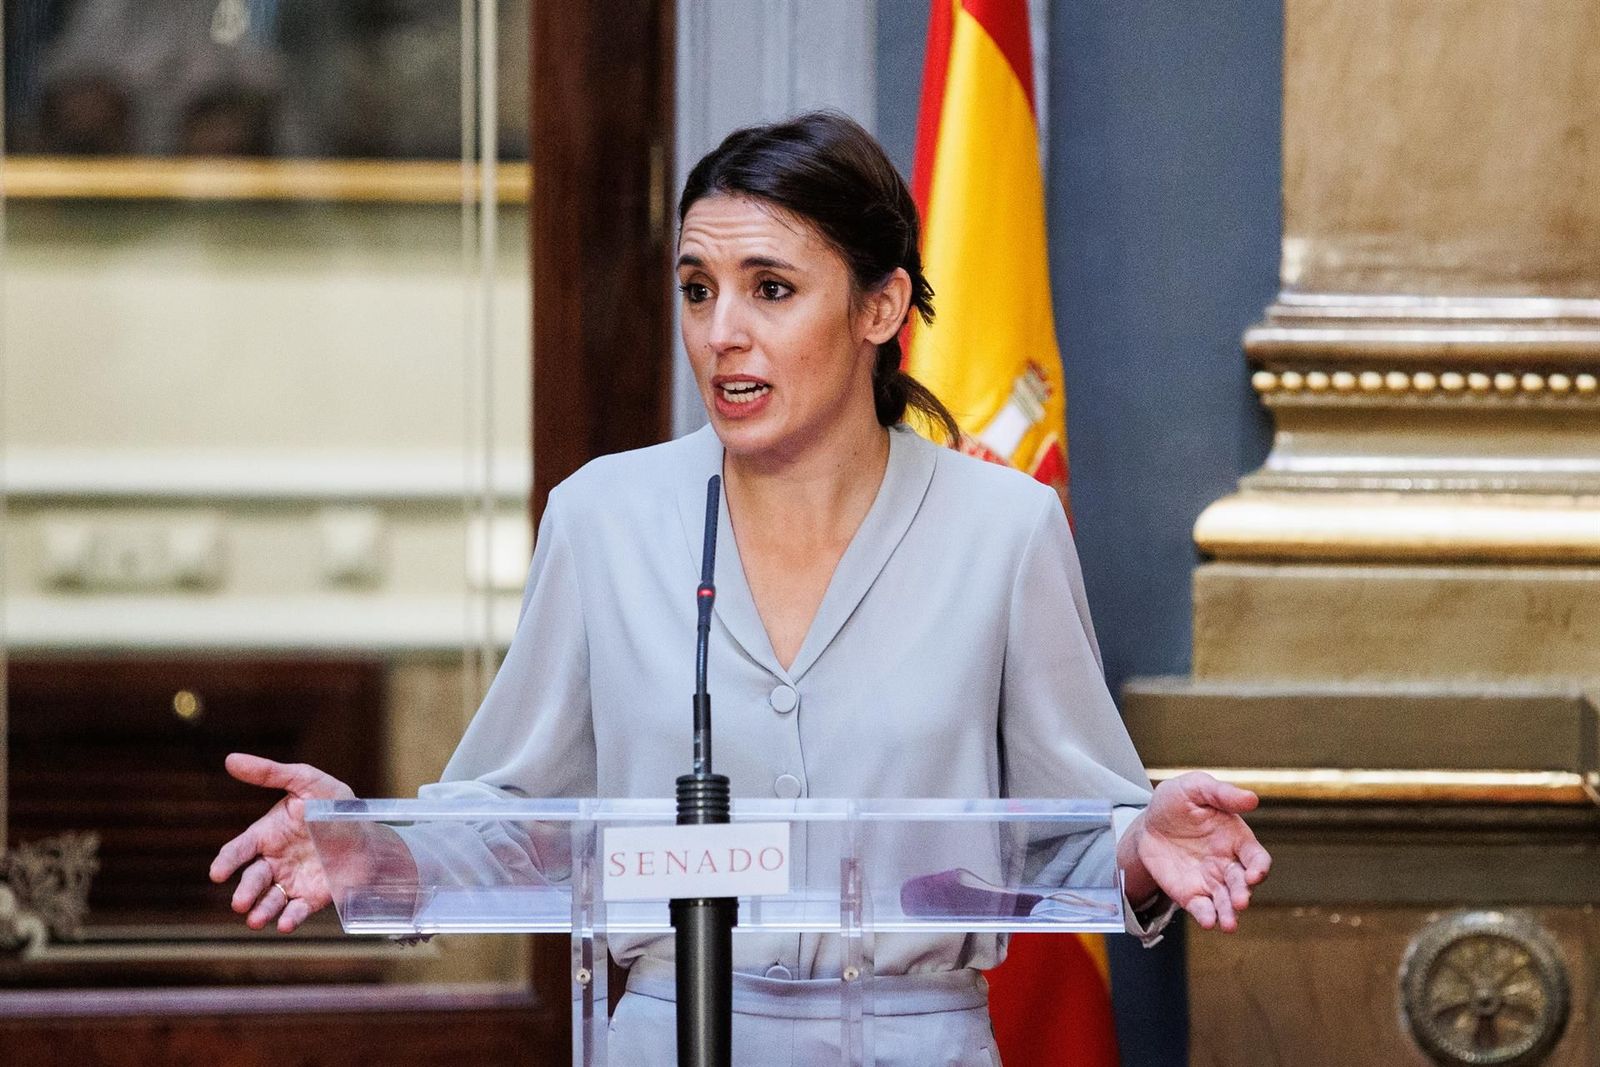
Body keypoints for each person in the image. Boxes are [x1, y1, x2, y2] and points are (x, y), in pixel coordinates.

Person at [211, 111, 1270, 1065]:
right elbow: (515, 807)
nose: (721, 332)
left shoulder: (1003, 527)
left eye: (771, 289)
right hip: (667, 1032)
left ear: (881, 304)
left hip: (911, 1037)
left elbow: (1070, 828)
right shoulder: (602, 517)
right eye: (697, 289)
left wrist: (1142, 841)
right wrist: (372, 847)